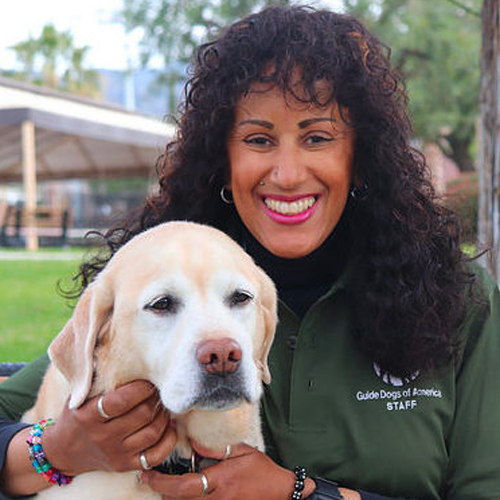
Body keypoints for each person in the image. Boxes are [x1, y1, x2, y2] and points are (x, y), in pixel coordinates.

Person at [1, 5, 500, 500]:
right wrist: (58, 451)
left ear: (360, 155)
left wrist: (297, 493)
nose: (286, 173)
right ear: (224, 156)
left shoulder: (458, 296)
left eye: (317, 137)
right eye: (259, 139)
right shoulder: (176, 272)